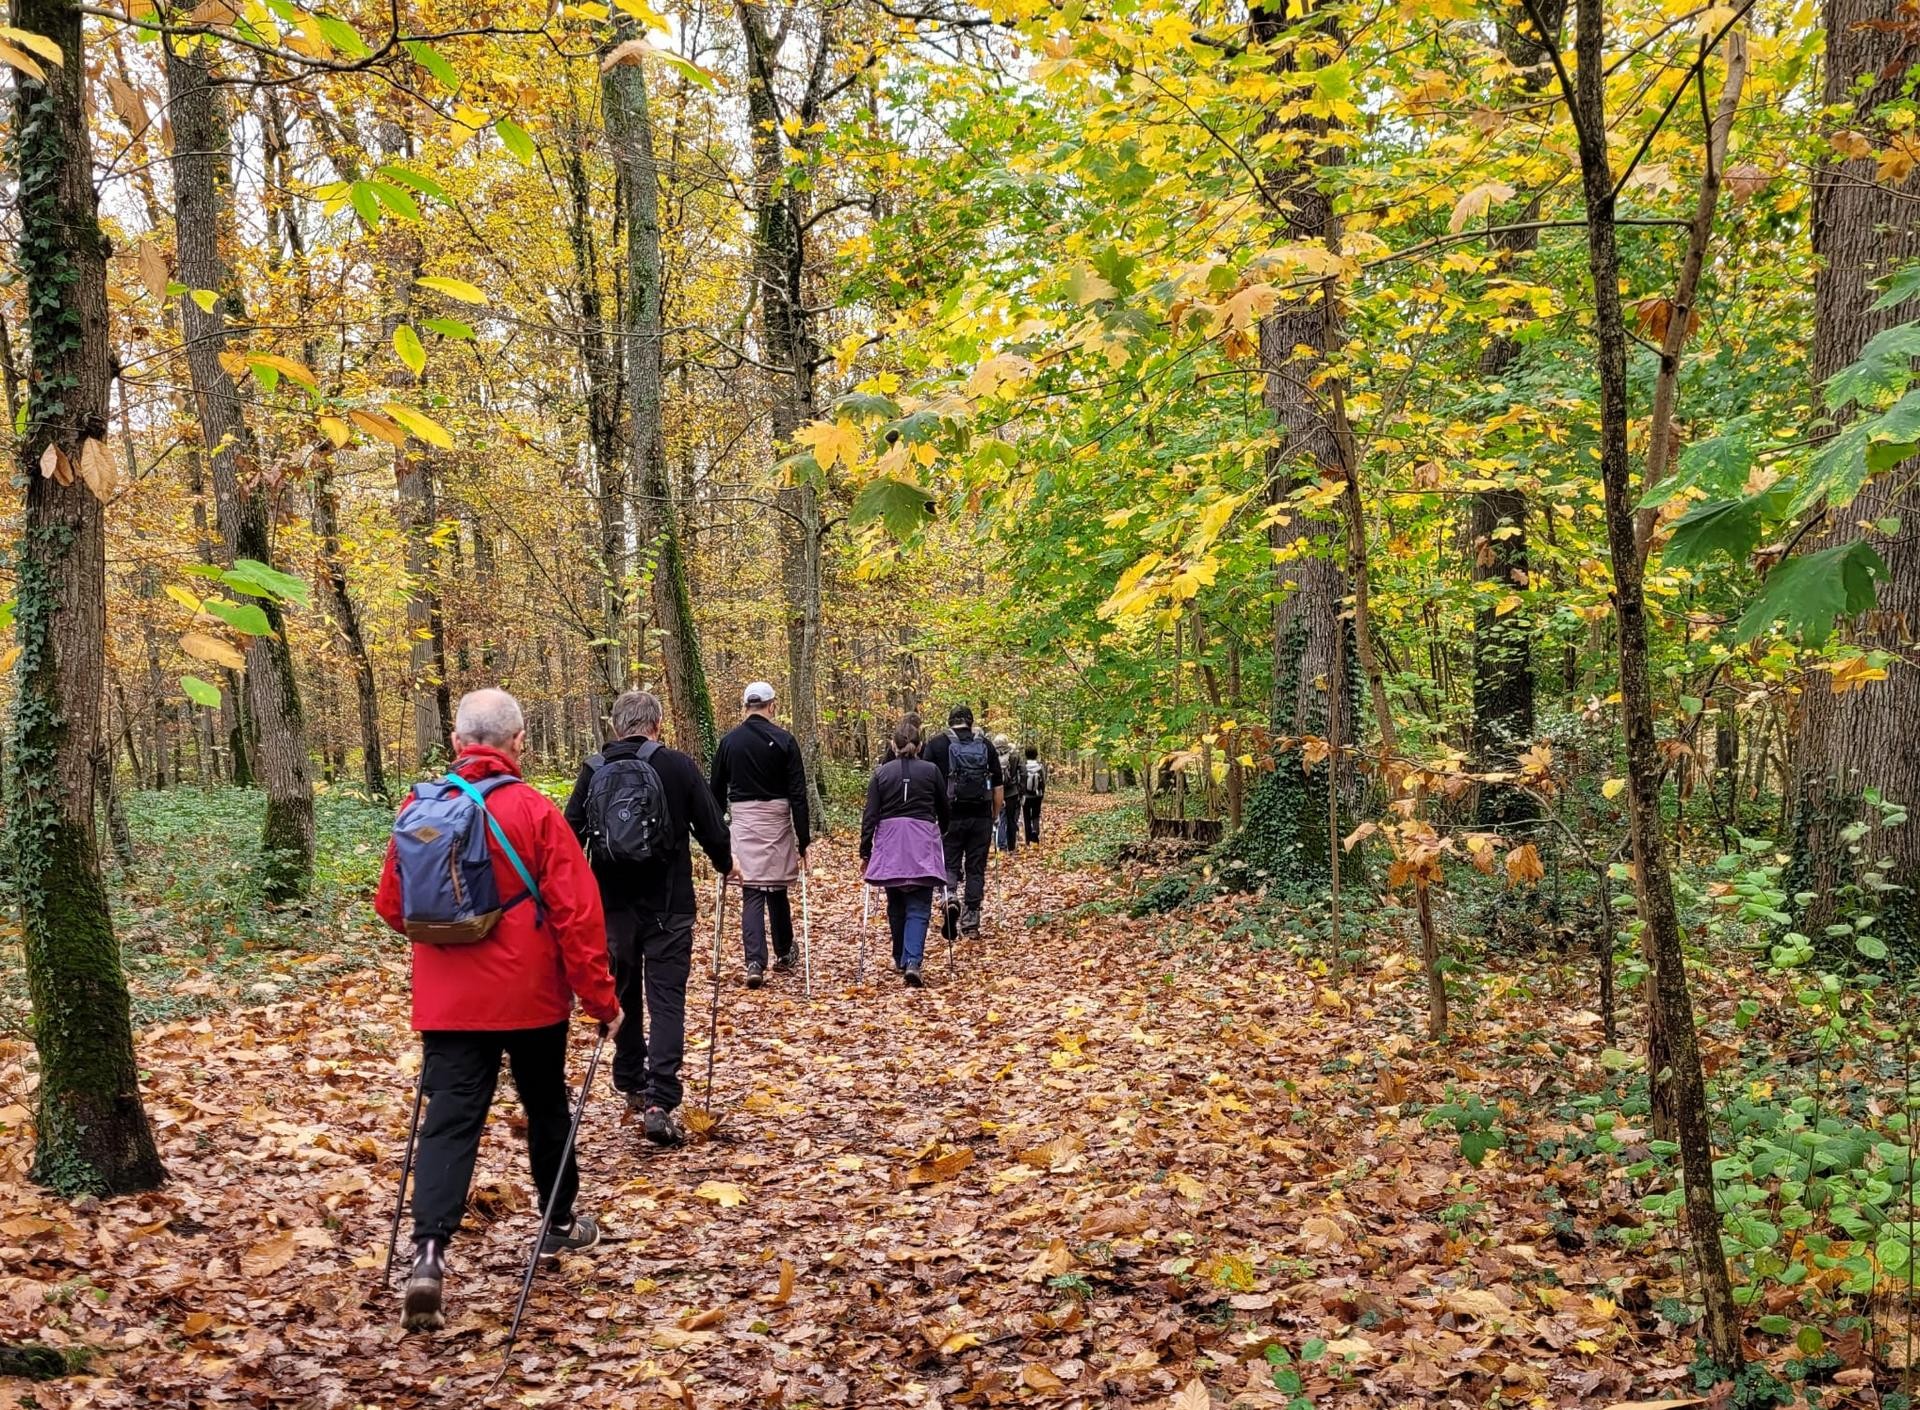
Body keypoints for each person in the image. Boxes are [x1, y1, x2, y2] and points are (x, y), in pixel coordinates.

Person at [374, 688, 623, 1334]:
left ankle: (427, 1256)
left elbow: (393, 907)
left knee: (450, 1123)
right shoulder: (536, 813)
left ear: (457, 745)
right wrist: (602, 1000)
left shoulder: (421, 808)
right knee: (546, 1104)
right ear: (518, 743)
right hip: (532, 997)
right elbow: (577, 915)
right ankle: (561, 1223)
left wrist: (453, 941)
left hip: (448, 1001)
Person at [564, 690, 732, 1148]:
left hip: (612, 905)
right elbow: (713, 828)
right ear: (656, 724)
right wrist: (724, 863)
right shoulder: (677, 766)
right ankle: (661, 1099)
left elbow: (568, 838)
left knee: (623, 987)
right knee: (667, 997)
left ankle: (629, 1077)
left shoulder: (594, 769)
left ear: (616, 727)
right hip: (669, 903)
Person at [709, 681, 810, 988]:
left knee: (751, 888)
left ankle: (755, 961)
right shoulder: (785, 741)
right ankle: (783, 951)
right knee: (776, 886)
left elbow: (714, 789)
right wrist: (803, 840)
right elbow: (798, 793)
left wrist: (720, 828)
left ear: (746, 707)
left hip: (743, 821)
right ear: (772, 706)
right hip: (777, 820)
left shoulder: (729, 742)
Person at [860, 718, 951, 986]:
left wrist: (865, 851)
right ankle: (912, 960)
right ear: (920, 745)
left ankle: (901, 957)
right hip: (921, 841)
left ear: (893, 744)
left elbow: (870, 815)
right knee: (919, 904)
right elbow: (944, 809)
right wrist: (941, 832)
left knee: (896, 901)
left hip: (891, 844)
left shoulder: (881, 773)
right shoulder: (932, 771)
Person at [923, 704, 1002, 939]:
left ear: (950, 722)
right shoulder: (986, 745)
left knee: (949, 864)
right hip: (980, 817)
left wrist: (930, 815)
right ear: (971, 722)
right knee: (975, 869)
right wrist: (994, 814)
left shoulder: (936, 744)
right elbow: (998, 786)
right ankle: (971, 922)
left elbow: (927, 783)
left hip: (949, 818)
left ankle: (949, 898)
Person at [993, 733, 1024, 854]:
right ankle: (1011, 846)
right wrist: (1021, 790)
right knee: (1011, 820)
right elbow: (1023, 773)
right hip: (1012, 792)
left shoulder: (992, 756)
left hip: (997, 791)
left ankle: (1002, 846)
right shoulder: (1015, 756)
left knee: (1001, 818)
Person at [1021, 746, 1047, 843]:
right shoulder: (1040, 767)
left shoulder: (1023, 766)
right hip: (1037, 795)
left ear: (1026, 755)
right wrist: (1042, 793)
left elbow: (1022, 781)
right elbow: (1043, 782)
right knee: (1036, 815)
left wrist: (1021, 793)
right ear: (1036, 755)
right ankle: (1035, 832)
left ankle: (1028, 838)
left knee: (1026, 815)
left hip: (1026, 796)